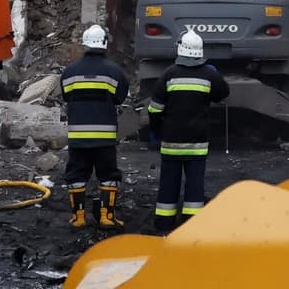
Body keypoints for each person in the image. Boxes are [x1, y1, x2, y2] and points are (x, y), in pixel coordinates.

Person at [145, 29, 228, 231]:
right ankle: (192, 226)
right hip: (197, 145)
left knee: (168, 186)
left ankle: (164, 225)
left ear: (180, 50)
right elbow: (223, 93)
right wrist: (215, 77)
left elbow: (154, 109)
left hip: (171, 144)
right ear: (200, 52)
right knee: (195, 186)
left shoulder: (169, 74)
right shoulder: (208, 74)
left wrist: (156, 131)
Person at [60, 24, 129, 229]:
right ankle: (107, 217)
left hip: (78, 137)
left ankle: (79, 217)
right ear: (105, 44)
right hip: (104, 137)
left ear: (85, 44)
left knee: (76, 175)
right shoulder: (114, 72)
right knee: (108, 175)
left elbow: (66, 96)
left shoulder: (69, 72)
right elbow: (119, 98)